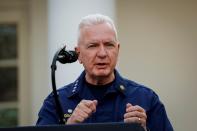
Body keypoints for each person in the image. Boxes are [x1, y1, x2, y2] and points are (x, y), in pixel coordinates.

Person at [36, 14, 173, 131]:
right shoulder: (56, 101)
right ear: (79, 54)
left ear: (117, 50)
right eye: (93, 46)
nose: (102, 53)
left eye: (109, 45)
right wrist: (70, 126)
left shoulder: (146, 99)